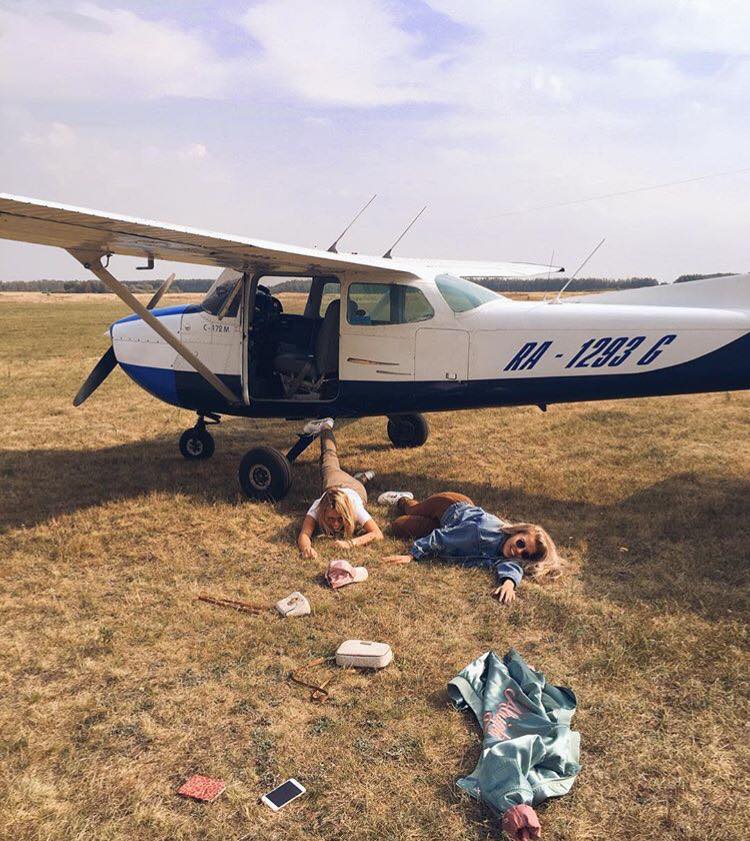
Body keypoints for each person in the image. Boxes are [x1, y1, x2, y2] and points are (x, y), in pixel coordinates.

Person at [382, 492, 562, 604]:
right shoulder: (480, 532)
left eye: (526, 555)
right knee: (408, 516)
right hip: (449, 505)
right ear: (516, 532)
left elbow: (511, 566)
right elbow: (442, 538)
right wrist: (413, 555)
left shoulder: (510, 554)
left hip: (452, 526)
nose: (519, 551)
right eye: (521, 543)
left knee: (400, 525)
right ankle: (402, 499)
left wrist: (509, 583)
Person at [297, 419, 383, 559]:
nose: (336, 524)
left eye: (340, 518)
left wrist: (350, 543)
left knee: (333, 461)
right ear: (323, 512)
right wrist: (306, 549)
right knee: (328, 458)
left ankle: (325, 427)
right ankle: (326, 427)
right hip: (335, 481)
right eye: (330, 519)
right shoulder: (317, 507)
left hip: (356, 489)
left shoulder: (355, 507)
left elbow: (377, 533)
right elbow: (304, 534)